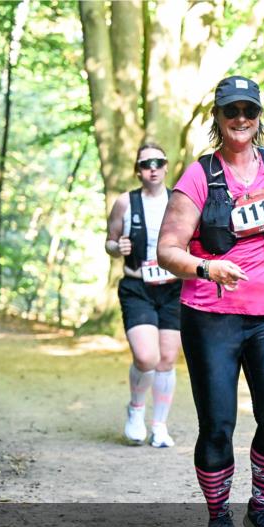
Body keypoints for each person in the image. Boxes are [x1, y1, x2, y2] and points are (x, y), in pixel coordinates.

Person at [157, 76, 264, 527]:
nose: (240, 119)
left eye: (249, 111)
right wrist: (208, 267)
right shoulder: (199, 176)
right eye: (231, 111)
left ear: (259, 115)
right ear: (218, 118)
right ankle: (219, 516)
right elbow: (167, 251)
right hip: (211, 315)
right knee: (218, 424)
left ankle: (262, 510)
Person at [104, 142, 182, 448]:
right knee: (146, 357)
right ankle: (136, 410)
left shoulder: (180, 201)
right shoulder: (125, 203)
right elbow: (110, 241)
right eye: (145, 164)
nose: (152, 168)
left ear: (165, 166)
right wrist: (116, 247)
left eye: (158, 162)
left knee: (167, 359)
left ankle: (159, 426)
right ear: (138, 171)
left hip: (173, 288)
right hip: (137, 287)